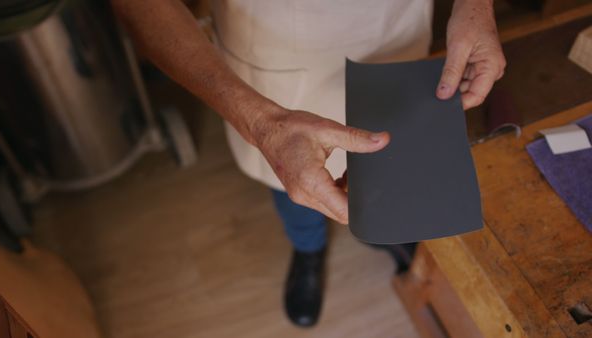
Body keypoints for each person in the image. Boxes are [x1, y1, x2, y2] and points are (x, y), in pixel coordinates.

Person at [113, 0, 506, 327]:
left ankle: (382, 228)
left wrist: (476, 6)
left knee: (389, 157)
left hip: (398, 29)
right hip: (278, 49)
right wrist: (262, 123)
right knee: (290, 176)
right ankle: (308, 247)